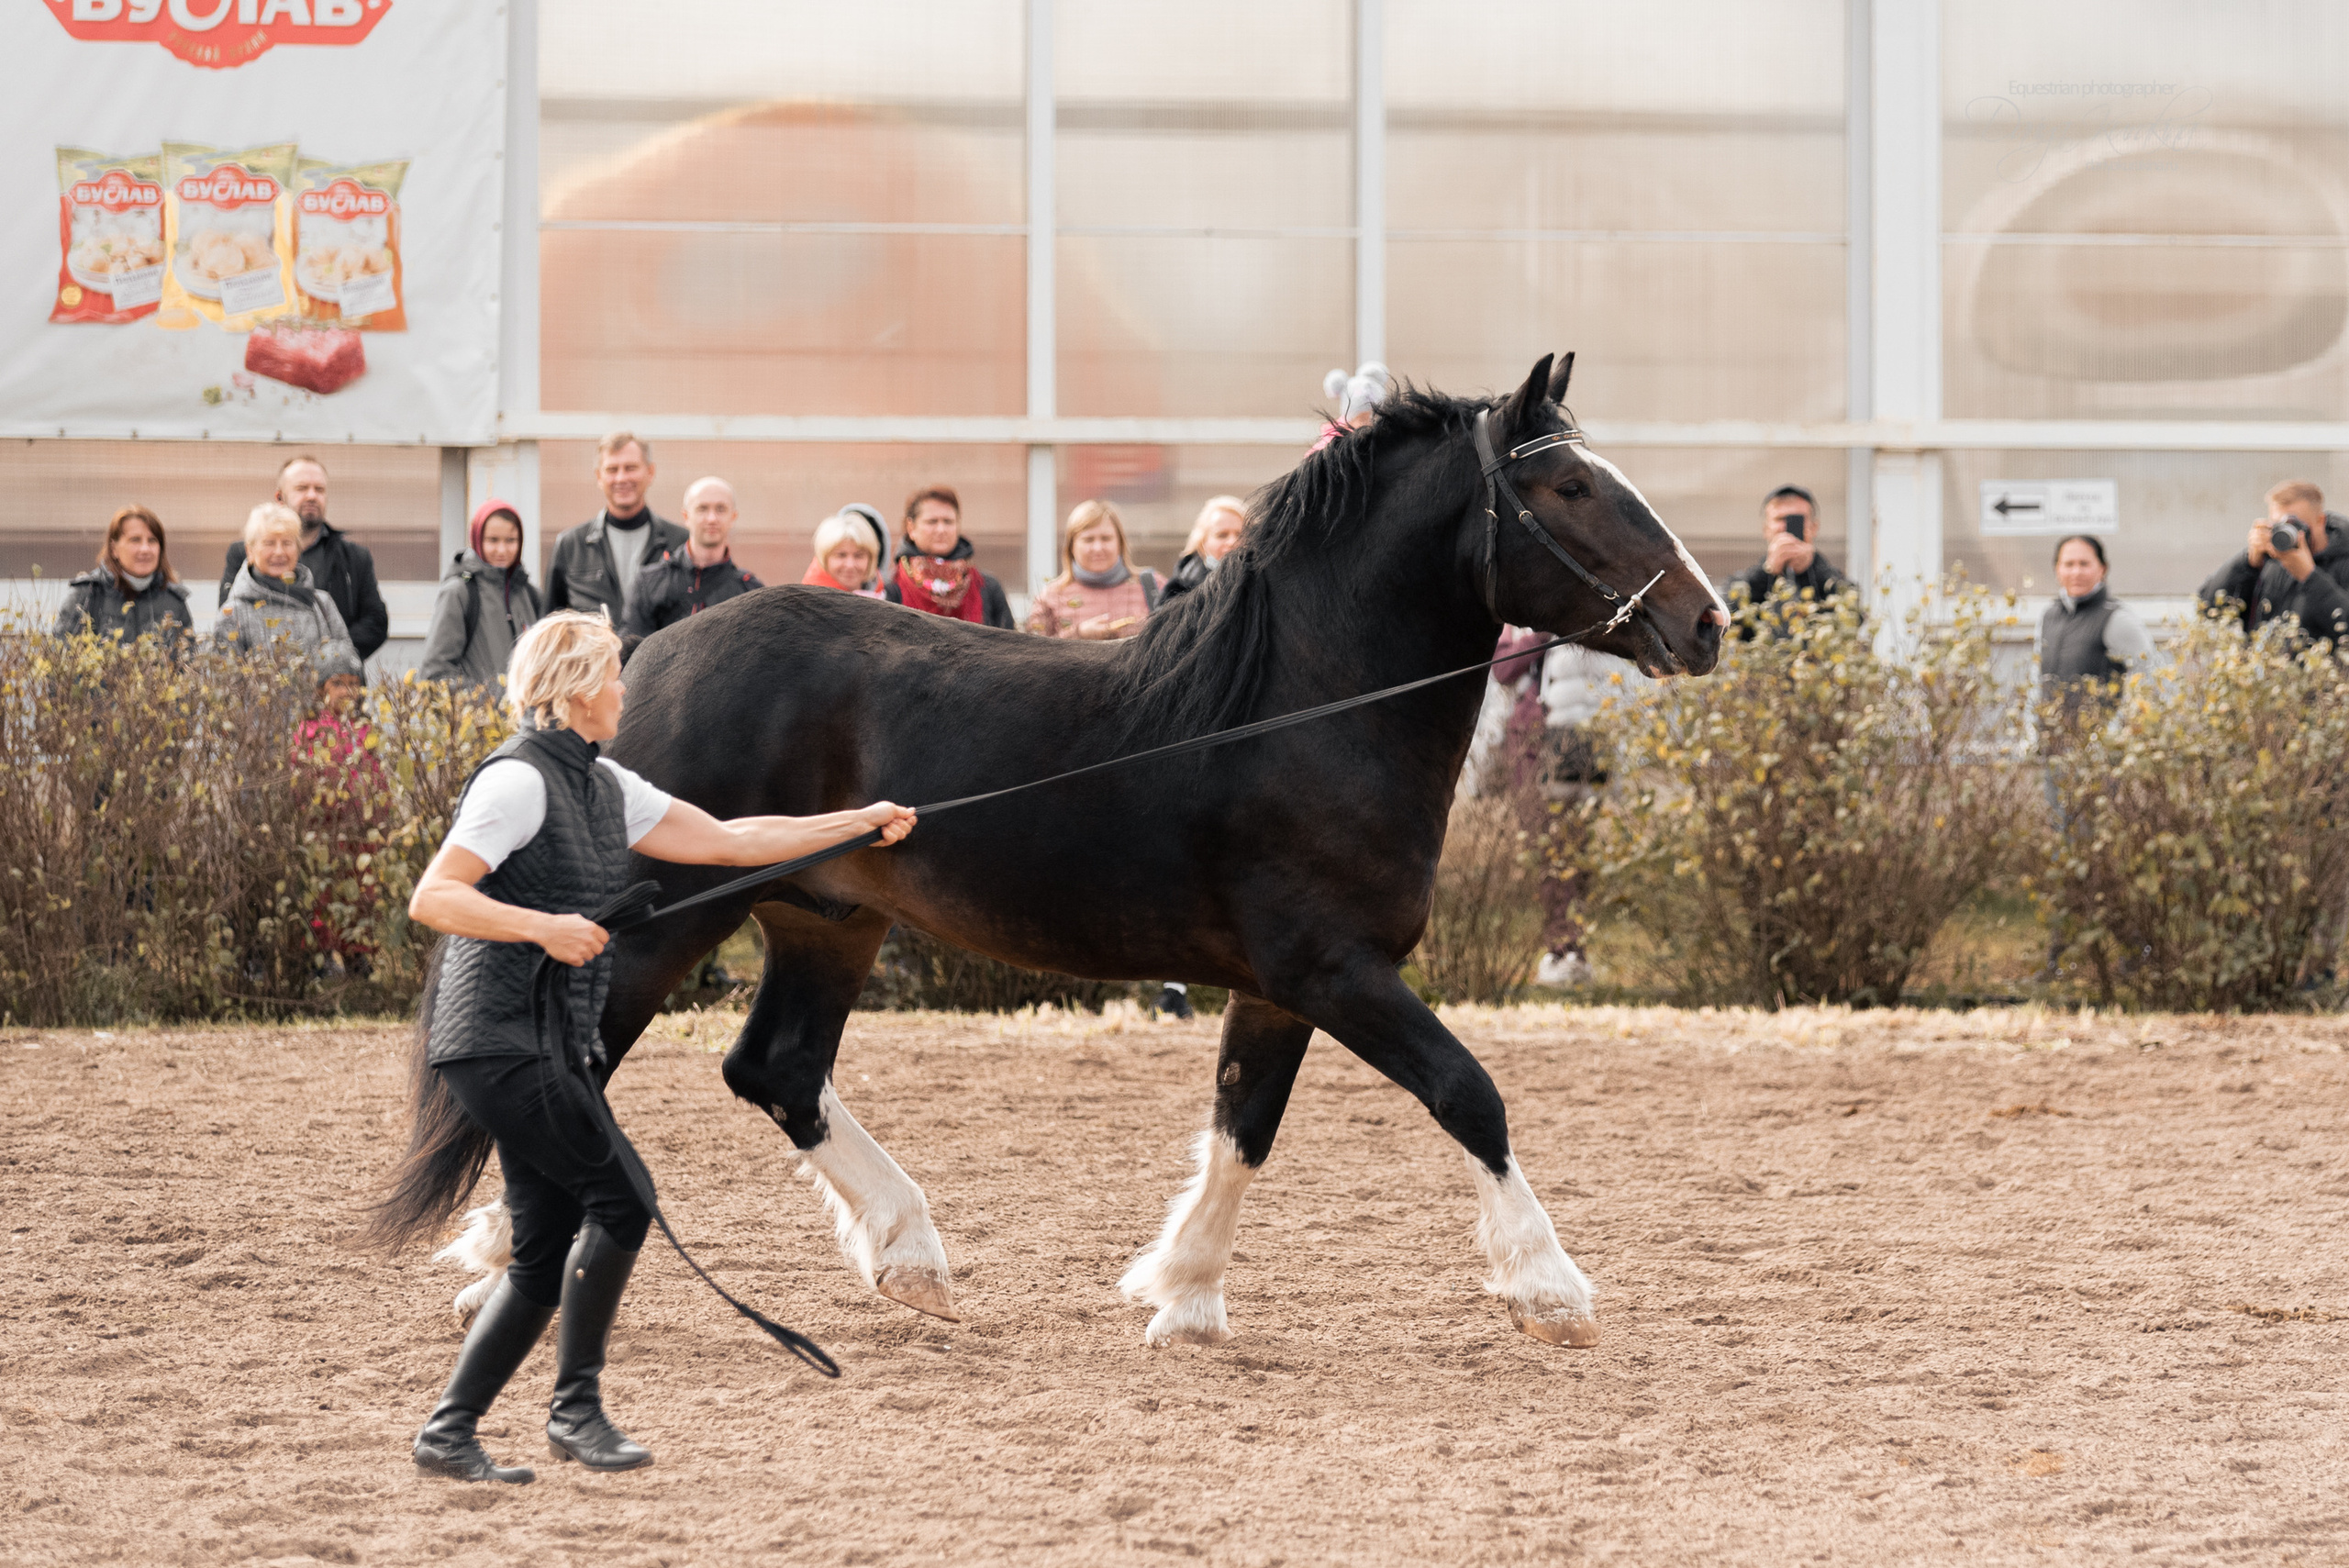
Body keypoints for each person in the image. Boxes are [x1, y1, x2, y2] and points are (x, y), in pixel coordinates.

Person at [404, 612, 916, 1484]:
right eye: (610, 675)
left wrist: (854, 822)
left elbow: (731, 840)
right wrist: (547, 928)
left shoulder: (608, 787)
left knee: (542, 1248)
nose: (625, 690)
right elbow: (436, 896)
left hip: (543, 1039)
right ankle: (575, 1412)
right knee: (621, 1200)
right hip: (495, 1037)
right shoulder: (517, 784)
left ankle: (454, 1432)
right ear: (569, 692)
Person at [217, 455, 389, 663]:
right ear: (279, 497)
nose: (311, 496)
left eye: (319, 489)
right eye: (301, 488)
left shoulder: (353, 558)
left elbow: (376, 621)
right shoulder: (241, 555)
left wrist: (329, 661)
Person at [546, 433, 687, 628]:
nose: (621, 478)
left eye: (631, 468)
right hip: (594, 660)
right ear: (599, 476)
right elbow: (550, 625)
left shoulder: (680, 543)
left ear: (650, 472)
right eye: (612, 469)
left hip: (660, 659)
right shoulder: (571, 545)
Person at [213, 502, 363, 683]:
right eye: (269, 543)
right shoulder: (233, 614)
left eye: (287, 543)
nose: (279, 552)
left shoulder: (322, 604)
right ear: (250, 551)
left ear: (298, 550)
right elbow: (226, 687)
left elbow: (347, 668)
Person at [2196, 481, 2349, 645]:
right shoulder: (2270, 561)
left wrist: (2309, 576)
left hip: (2327, 670)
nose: (2287, 534)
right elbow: (2208, 610)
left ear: (2320, 521)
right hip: (2267, 668)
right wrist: (2248, 563)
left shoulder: (2344, 561)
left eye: (2296, 525)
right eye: (2279, 526)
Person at [620, 476, 763, 649]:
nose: (712, 518)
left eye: (720, 509)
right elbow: (632, 654)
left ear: (733, 517)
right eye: (702, 509)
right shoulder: (648, 583)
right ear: (686, 516)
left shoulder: (750, 592)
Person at [420, 500, 544, 692]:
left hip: (525, 720)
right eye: (493, 540)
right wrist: (485, 706)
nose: (502, 550)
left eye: (511, 540)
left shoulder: (531, 595)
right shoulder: (459, 593)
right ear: (477, 539)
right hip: (478, 720)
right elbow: (435, 674)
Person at [2037, 535, 2152, 723]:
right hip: (2051, 745)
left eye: (2084, 564)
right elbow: (2036, 683)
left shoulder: (2118, 619)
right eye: (2068, 564)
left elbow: (2149, 681)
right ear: (2057, 569)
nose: (2076, 572)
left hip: (2099, 747)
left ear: (2102, 569)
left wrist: (2115, 738)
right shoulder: (2048, 616)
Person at [51, 505, 193, 649]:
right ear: (114, 549)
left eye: (152, 540)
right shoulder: (86, 596)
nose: (145, 549)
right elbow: (59, 661)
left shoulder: (174, 602)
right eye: (135, 540)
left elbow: (189, 664)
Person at [1024, 500, 1162, 639]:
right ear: (1071, 547)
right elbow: (1033, 652)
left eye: (1106, 538)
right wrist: (1079, 634)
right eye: (1088, 540)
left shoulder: (1154, 587)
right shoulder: (1051, 597)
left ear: (1120, 543)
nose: (1097, 548)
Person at [1723, 485, 1854, 632]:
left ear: (1814, 527)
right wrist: (1767, 572)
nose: (1787, 527)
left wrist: (1811, 567)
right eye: (1780, 519)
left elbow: (1853, 614)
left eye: (1797, 519)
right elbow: (1728, 615)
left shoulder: (1832, 579)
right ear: (1766, 529)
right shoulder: (1743, 582)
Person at [884, 484, 1014, 628]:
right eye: (932, 522)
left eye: (948, 521)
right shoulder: (890, 589)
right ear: (911, 528)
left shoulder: (988, 588)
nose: (941, 530)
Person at [1160, 495, 1247, 601]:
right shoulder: (1179, 590)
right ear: (1202, 543)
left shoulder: (1267, 584)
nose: (1232, 542)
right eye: (1222, 535)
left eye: (1240, 534)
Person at [802, 506, 887, 596]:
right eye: (841, 555)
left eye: (858, 555)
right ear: (825, 558)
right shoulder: (808, 602)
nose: (850, 565)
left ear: (870, 559)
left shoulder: (884, 596)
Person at [1312, 362, 1390, 450]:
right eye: (1361, 418)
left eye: (1373, 417)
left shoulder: (1385, 440)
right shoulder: (1329, 445)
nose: (1368, 423)